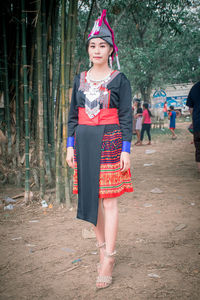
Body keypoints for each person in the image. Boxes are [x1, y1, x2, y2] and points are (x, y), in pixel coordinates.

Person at [66, 9, 133, 289]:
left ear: (110, 49)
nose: (96, 50)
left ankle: (110, 258)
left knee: (109, 201)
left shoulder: (120, 79)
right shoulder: (79, 78)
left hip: (110, 141)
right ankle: (101, 247)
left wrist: (126, 149)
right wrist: (69, 145)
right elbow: (72, 115)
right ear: (88, 49)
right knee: (92, 197)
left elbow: (127, 116)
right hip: (83, 142)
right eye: (92, 45)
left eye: (102, 45)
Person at [186, 81, 200, 173]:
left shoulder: (195, 88)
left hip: (198, 124)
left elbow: (190, 108)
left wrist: (194, 120)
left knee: (199, 149)